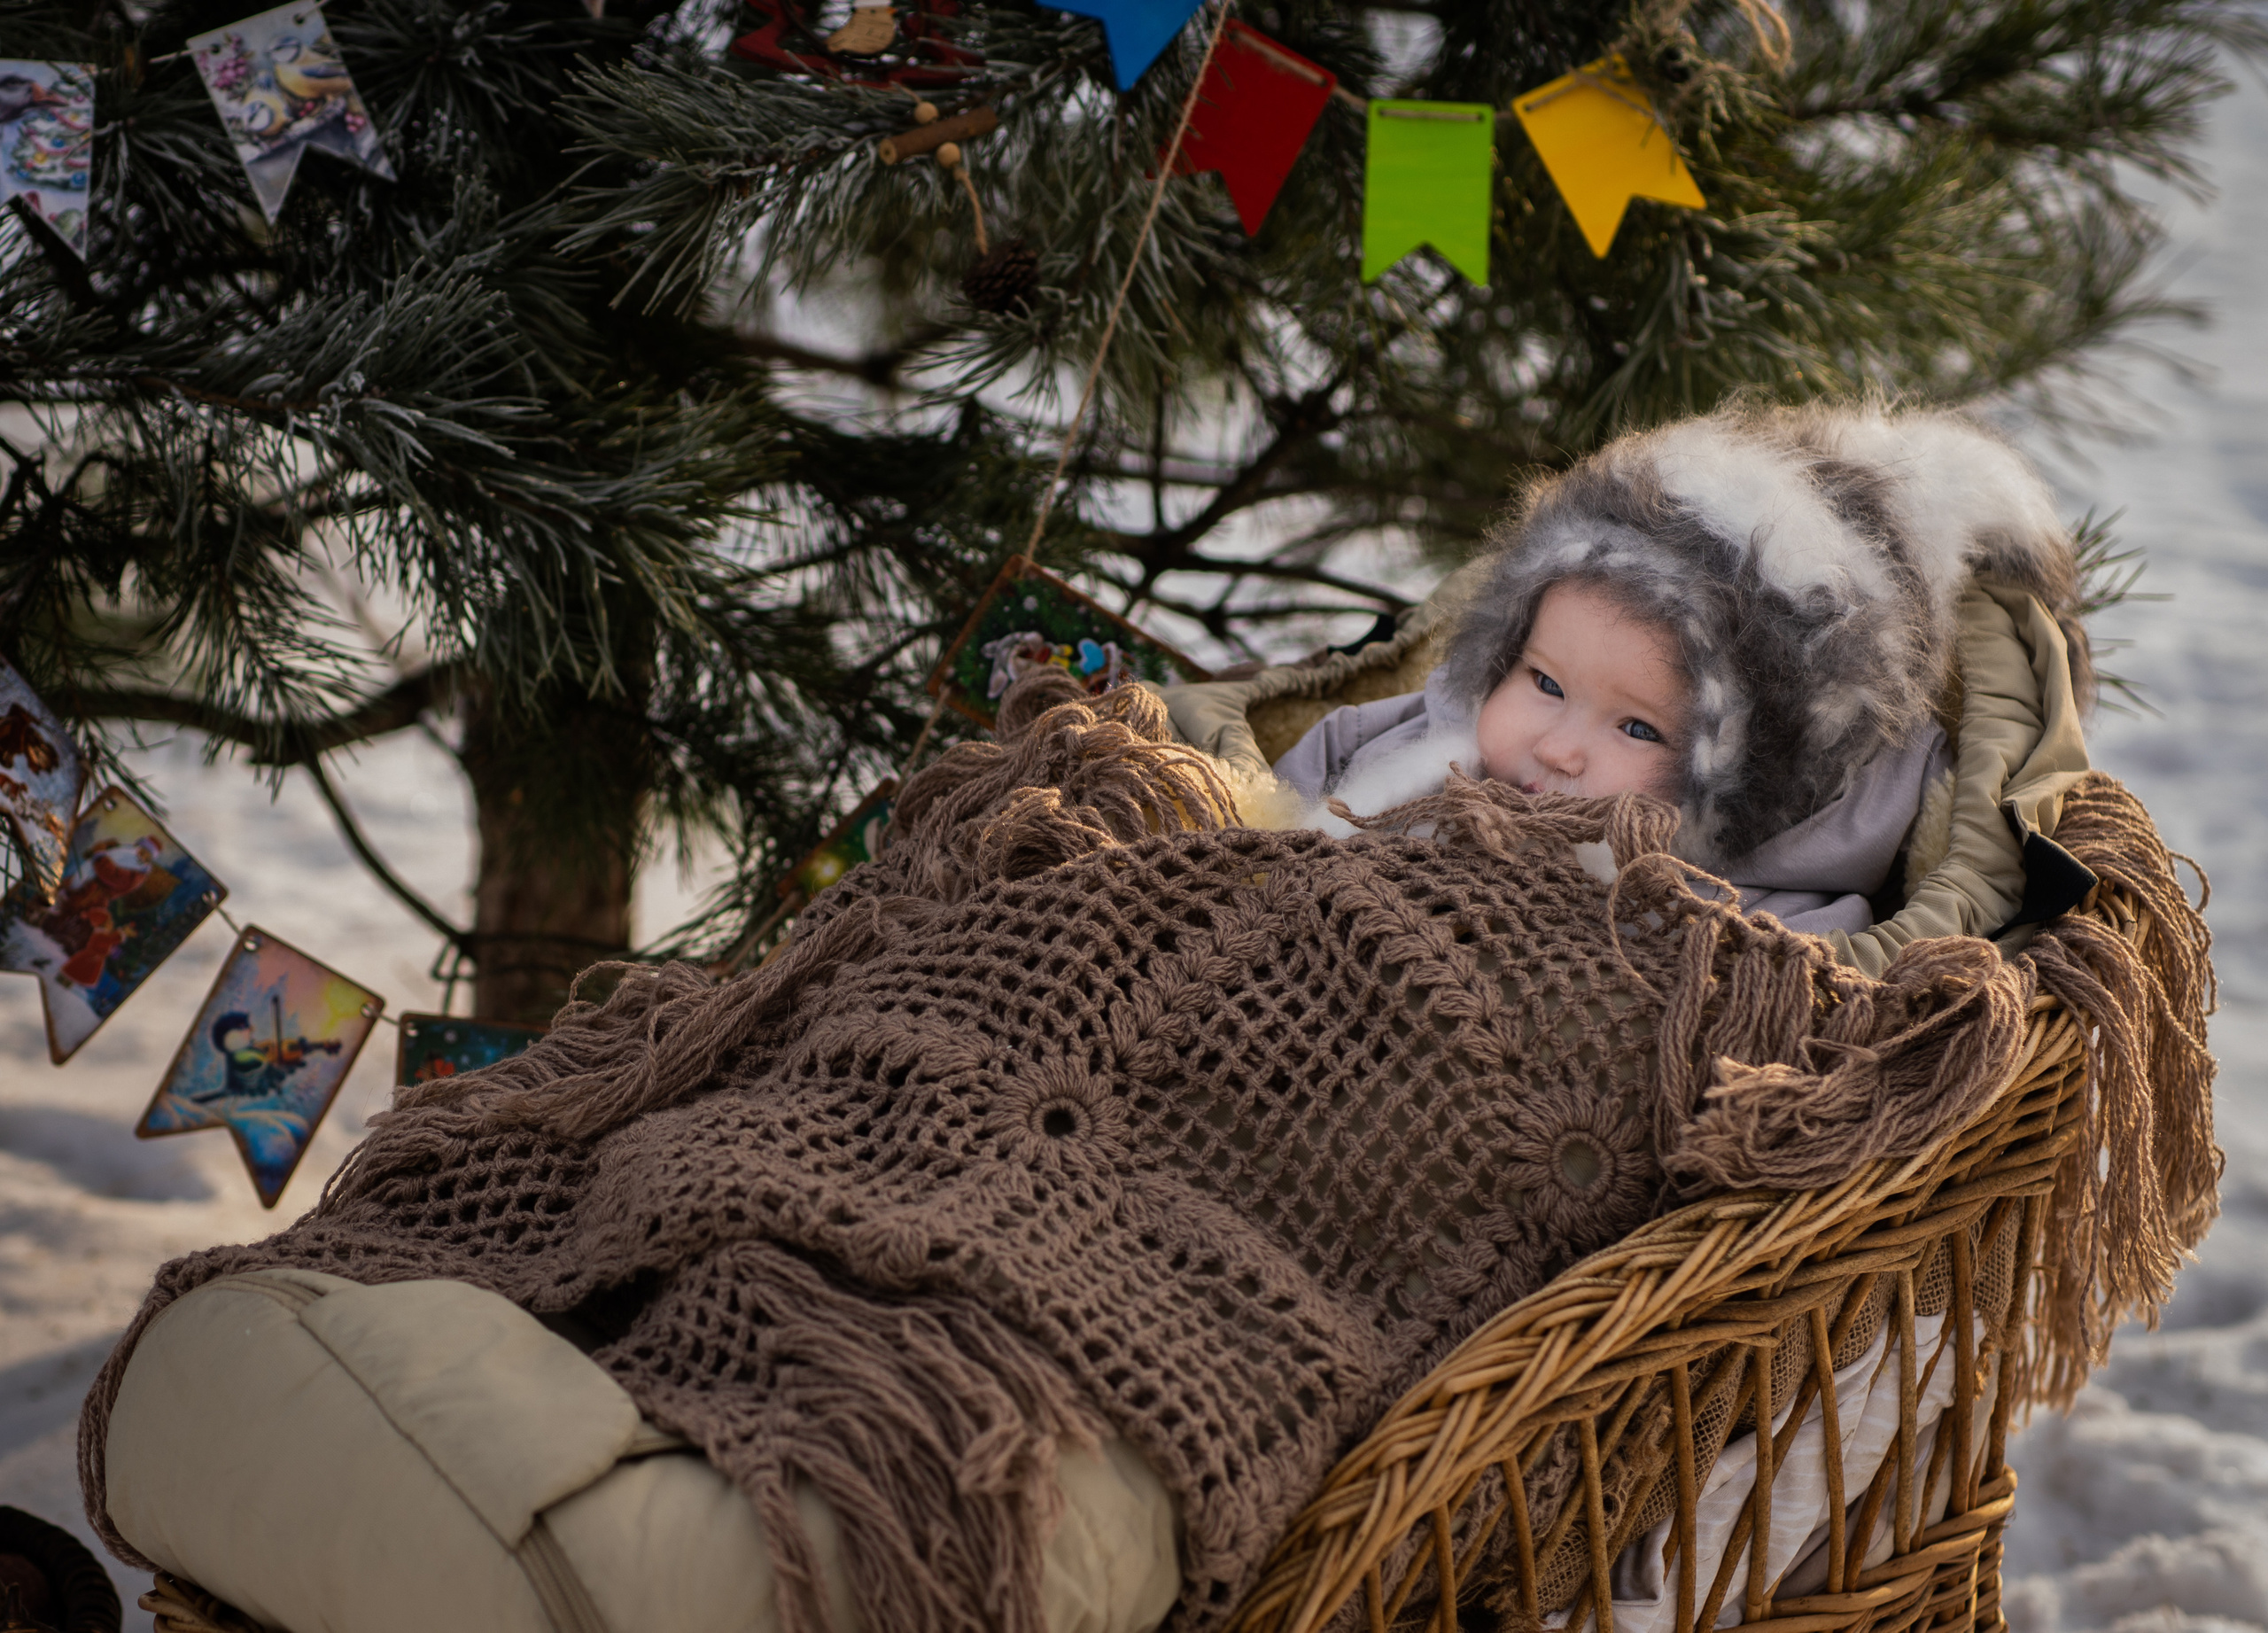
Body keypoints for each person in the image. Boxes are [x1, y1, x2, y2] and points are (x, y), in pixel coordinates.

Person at [1271, 402, 2089, 936]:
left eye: (1637, 726)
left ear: (1747, 794)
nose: (1558, 748)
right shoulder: (1420, 759)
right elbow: (1273, 813)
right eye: (1545, 682)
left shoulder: (1749, 916)